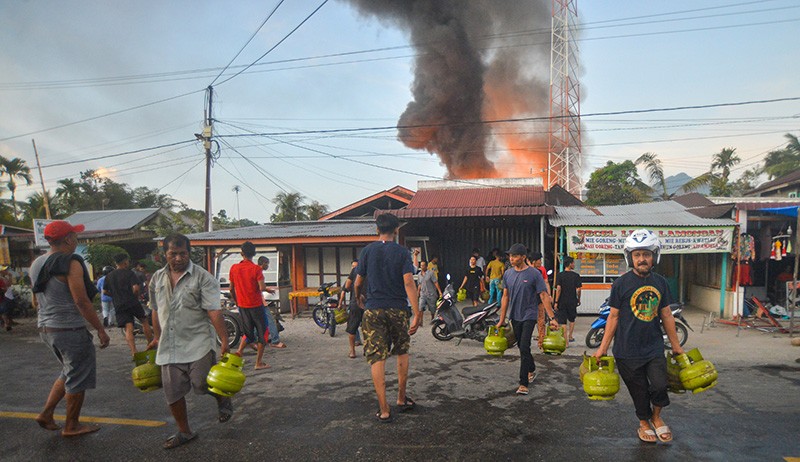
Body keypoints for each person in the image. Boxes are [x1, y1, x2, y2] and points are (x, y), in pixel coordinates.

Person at [593, 229, 685, 444]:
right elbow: (613, 317)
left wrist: (676, 345)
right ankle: (644, 423)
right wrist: (602, 348)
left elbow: (666, 315)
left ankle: (656, 417)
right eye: (637, 255)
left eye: (646, 254)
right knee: (639, 391)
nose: (641, 259)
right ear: (630, 257)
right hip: (626, 350)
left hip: (653, 347)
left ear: (654, 256)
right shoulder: (620, 284)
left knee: (661, 385)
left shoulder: (661, 282)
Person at [146, 234, 232, 449]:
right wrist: (156, 336)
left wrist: (224, 339)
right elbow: (155, 310)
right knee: (172, 393)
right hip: (169, 344)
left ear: (189, 252)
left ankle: (222, 398)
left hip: (198, 340)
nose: (178, 258)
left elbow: (213, 309)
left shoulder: (202, 277)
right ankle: (184, 432)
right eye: (172, 254)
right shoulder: (157, 278)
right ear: (163, 254)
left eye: (182, 253)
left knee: (201, 383)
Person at [30, 220, 110, 436]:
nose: (77, 239)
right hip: (68, 329)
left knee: (69, 371)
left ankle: (46, 414)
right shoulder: (71, 263)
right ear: (67, 239)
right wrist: (100, 329)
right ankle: (71, 425)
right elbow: (81, 300)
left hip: (46, 328)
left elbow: (36, 298)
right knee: (78, 377)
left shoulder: (37, 263)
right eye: (75, 235)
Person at [354, 213, 421, 423]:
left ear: (377, 230)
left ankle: (384, 409)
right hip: (398, 309)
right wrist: (417, 313)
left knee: (377, 356)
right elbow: (409, 283)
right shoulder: (402, 252)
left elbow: (358, 281)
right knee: (401, 350)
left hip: (373, 310)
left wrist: (359, 297)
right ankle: (401, 398)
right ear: (396, 230)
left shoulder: (367, 251)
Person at [496, 243, 558, 396]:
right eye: (510, 255)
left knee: (524, 345)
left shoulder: (534, 274)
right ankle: (531, 368)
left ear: (523, 257)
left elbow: (543, 295)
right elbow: (505, 297)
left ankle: (523, 383)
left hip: (529, 315)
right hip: (515, 315)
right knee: (522, 347)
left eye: (515, 256)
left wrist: (552, 318)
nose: (511, 258)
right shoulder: (508, 274)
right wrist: (501, 319)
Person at [230, 242, 271, 369]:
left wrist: (237, 302)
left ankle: (239, 353)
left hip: (242, 305)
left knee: (248, 332)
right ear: (254, 254)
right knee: (263, 333)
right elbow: (262, 287)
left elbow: (231, 289)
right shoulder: (256, 269)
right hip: (256, 305)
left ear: (242, 253)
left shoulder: (234, 268)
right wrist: (266, 289)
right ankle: (258, 362)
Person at [104, 253, 153, 356]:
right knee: (144, 321)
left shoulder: (109, 276)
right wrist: (134, 295)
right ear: (125, 262)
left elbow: (104, 291)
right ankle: (150, 345)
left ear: (115, 263)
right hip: (132, 301)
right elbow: (135, 288)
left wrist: (115, 295)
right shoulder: (129, 273)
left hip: (119, 304)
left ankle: (134, 352)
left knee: (128, 327)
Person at [257, 256, 286, 349]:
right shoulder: (258, 272)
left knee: (256, 322)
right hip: (259, 301)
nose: (268, 266)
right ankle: (275, 340)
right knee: (270, 321)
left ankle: (253, 340)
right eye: (267, 263)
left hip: (254, 300)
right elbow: (261, 287)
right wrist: (267, 289)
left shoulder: (254, 271)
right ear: (263, 263)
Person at [554, 256, 582, 346]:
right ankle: (570, 336)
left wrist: (556, 301)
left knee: (563, 322)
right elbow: (578, 290)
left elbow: (558, 289)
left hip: (562, 301)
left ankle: (566, 342)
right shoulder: (576, 276)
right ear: (570, 264)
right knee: (572, 319)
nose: (574, 264)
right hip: (572, 301)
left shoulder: (560, 275)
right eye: (573, 263)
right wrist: (578, 299)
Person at [530, 251, 552, 351]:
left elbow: (543, 288)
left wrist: (548, 295)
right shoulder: (533, 272)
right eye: (539, 260)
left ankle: (541, 342)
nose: (540, 262)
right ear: (534, 261)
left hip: (538, 301)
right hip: (531, 302)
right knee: (536, 322)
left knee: (541, 322)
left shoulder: (539, 271)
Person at [344, 259, 364, 359]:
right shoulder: (373, 270)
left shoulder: (355, 271)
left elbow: (347, 286)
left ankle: (352, 351)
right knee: (368, 328)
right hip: (369, 303)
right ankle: (368, 350)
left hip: (355, 303)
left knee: (352, 328)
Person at [0, 266, 15, 331]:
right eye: (5, 270)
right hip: (5, 297)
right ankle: (6, 324)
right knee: (4, 312)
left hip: (9, 296)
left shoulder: (5, 277)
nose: (6, 271)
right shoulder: (1, 278)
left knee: (8, 311)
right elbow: (8, 285)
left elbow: (10, 284)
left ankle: (7, 323)